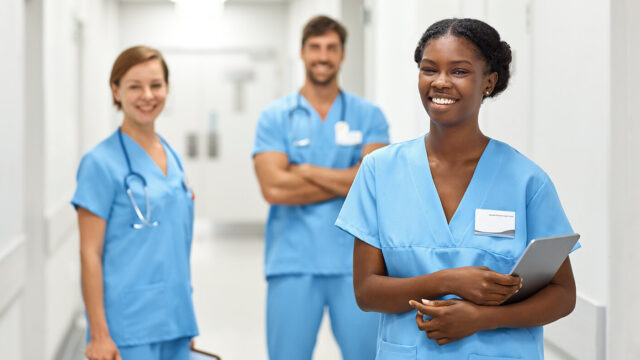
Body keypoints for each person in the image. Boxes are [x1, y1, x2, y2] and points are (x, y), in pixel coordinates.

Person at [335, 18, 581, 360]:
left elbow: (563, 294)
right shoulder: (380, 171)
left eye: (459, 71)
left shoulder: (526, 180)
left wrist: (484, 319)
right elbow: (366, 291)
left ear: (489, 82)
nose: (440, 82)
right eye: (429, 69)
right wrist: (447, 281)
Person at [252, 15, 390, 360]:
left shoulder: (369, 115)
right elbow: (274, 189)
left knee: (366, 356)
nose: (323, 56)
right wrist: (348, 178)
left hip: (357, 264)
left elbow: (374, 185)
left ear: (343, 54)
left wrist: (306, 170)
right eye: (315, 47)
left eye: (331, 48)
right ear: (301, 53)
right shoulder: (275, 117)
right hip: (292, 263)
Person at [72, 46, 198, 360]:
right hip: (127, 326)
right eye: (134, 86)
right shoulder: (99, 163)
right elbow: (90, 253)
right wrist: (99, 334)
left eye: (156, 85)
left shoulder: (173, 157)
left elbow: (176, 244)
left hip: (176, 321)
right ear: (115, 90)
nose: (147, 95)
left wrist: (187, 320)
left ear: (167, 88)